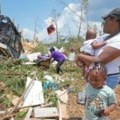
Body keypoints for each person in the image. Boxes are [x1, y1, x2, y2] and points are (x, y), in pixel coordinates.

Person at [76, 7, 120, 89]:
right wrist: (83, 59)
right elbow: (88, 48)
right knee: (92, 99)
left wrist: (80, 56)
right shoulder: (104, 37)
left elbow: (99, 61)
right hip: (94, 76)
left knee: (100, 100)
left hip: (107, 78)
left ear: (114, 20)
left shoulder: (118, 40)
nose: (103, 23)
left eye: (105, 20)